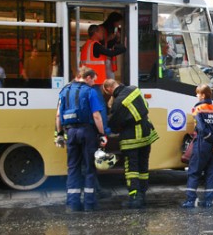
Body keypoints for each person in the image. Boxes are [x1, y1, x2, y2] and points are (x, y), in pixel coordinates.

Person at [55, 68, 107, 212]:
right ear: (88, 77)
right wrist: (102, 134)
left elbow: (58, 115)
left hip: (70, 132)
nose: (94, 83)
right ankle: (89, 203)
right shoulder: (90, 91)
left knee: (73, 167)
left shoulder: (64, 91)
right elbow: (96, 115)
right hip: (87, 132)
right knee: (89, 167)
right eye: (94, 80)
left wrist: (59, 133)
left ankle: (73, 203)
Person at [103, 78, 159, 209]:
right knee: (143, 165)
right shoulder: (135, 89)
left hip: (131, 137)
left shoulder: (118, 103)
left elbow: (115, 124)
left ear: (109, 89)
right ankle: (143, 194)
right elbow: (145, 106)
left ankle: (134, 197)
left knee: (131, 168)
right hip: (146, 132)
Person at [182, 84, 213, 209]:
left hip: (202, 143)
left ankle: (190, 200)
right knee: (210, 173)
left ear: (203, 95)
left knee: (194, 172)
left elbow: (201, 128)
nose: (196, 95)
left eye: (197, 93)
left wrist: (209, 139)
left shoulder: (198, 109)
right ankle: (208, 201)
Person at [100, 12, 125, 79]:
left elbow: (114, 43)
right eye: (118, 22)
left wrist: (118, 38)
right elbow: (101, 42)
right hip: (104, 56)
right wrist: (109, 38)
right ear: (114, 21)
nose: (119, 24)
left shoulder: (114, 29)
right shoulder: (102, 29)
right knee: (110, 77)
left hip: (109, 56)